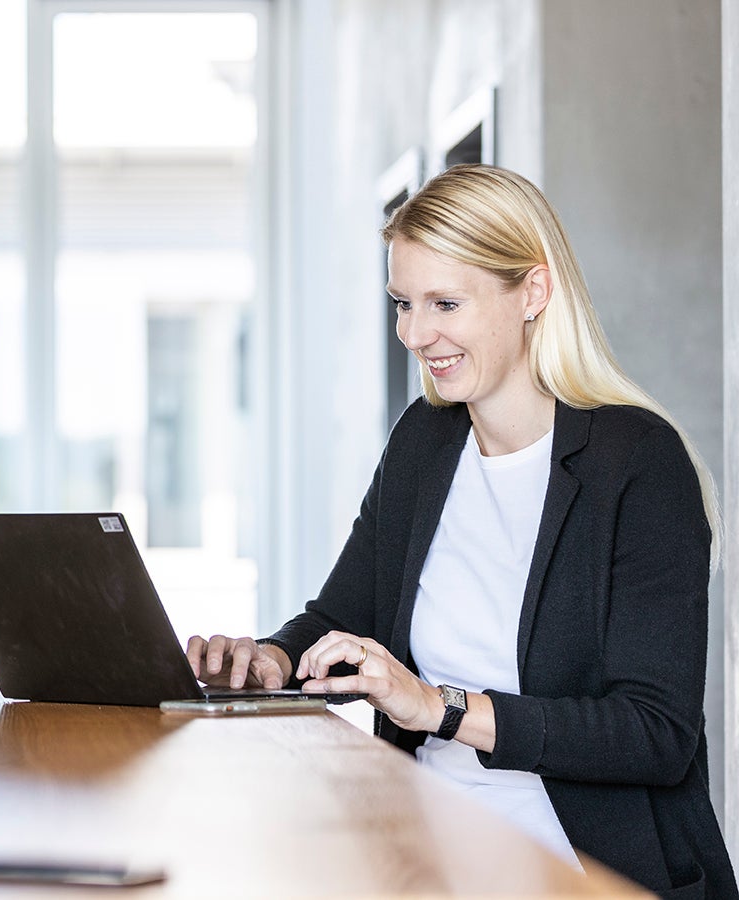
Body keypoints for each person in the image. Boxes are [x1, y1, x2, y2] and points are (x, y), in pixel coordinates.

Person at [188, 164, 736, 899]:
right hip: (427, 859)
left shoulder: (637, 463)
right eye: (403, 303)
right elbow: (343, 616)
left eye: (445, 302)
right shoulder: (427, 440)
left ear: (533, 292)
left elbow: (654, 734)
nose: (416, 334)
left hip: (583, 874)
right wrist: (272, 665)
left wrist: (438, 708)